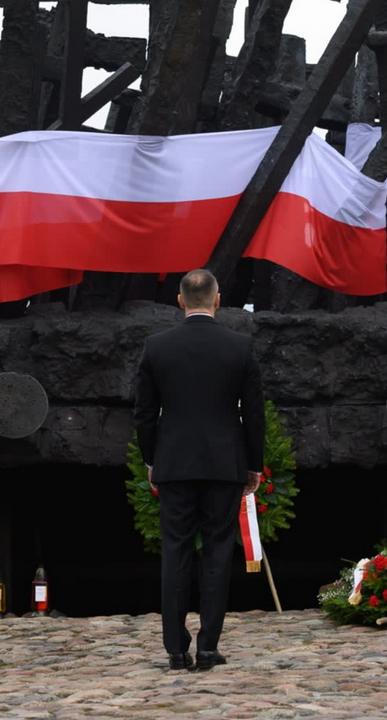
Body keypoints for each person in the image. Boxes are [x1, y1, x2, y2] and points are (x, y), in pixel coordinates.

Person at [133, 269, 265, 672]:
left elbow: (143, 414)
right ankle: (208, 646)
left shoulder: (156, 347)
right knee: (218, 555)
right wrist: (253, 465)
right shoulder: (240, 346)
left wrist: (152, 459)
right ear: (218, 300)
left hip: (174, 465)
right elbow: (254, 415)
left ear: (180, 301)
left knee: (175, 553)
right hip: (224, 465)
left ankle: (176, 648)